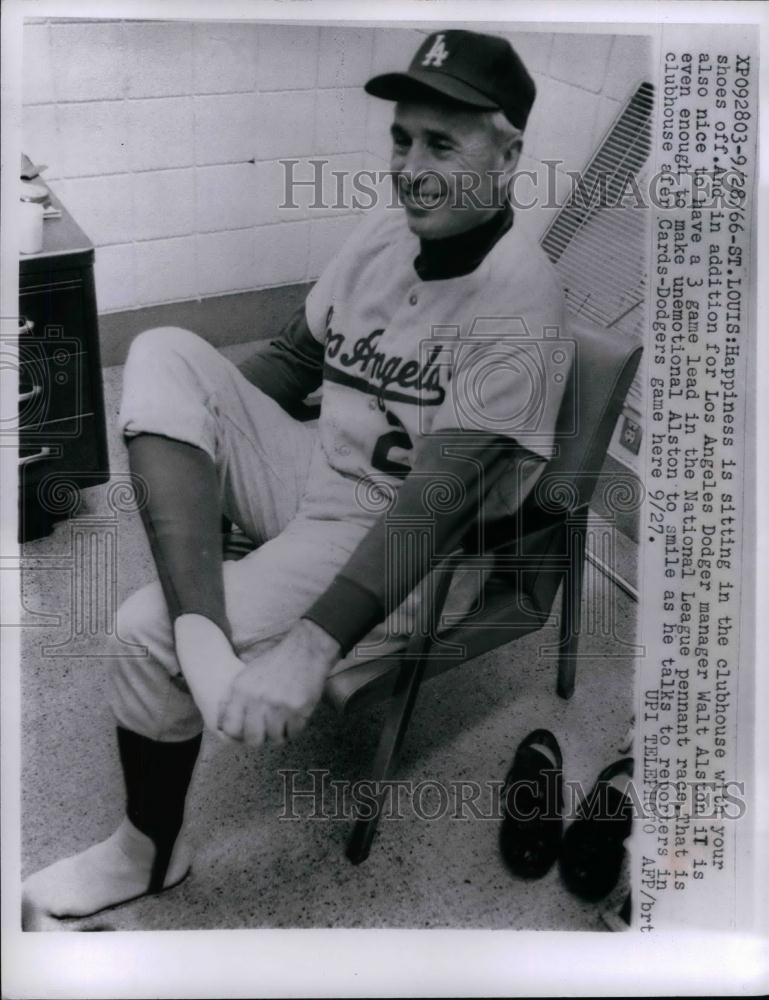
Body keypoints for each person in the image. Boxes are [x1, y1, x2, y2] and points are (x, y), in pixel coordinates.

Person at [22, 29, 569, 928]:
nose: (410, 167)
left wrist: (310, 648)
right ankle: (205, 632)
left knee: (137, 631)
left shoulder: (520, 300)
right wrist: (200, 441)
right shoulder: (381, 233)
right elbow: (288, 361)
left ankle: (147, 854)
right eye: (401, 139)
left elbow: (434, 508)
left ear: (508, 155)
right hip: (319, 472)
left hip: (405, 541)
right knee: (163, 348)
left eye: (442, 143)